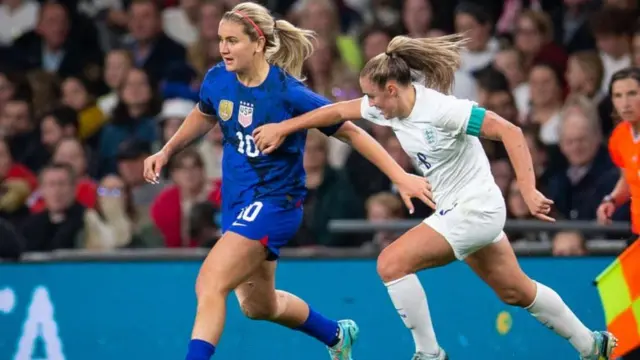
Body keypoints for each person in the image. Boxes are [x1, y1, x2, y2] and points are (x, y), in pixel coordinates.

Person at [252, 34, 618, 360]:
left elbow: (509, 131)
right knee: (516, 291)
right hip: (462, 211)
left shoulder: (442, 111)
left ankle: (429, 353)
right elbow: (335, 111)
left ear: (393, 89)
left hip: (475, 208)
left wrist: (527, 188)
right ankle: (591, 345)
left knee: (391, 264)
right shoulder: (389, 108)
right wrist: (285, 127)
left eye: (373, 96)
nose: (369, 104)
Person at [141, 3, 431, 360]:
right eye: (220, 40)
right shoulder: (217, 78)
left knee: (210, 282)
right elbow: (204, 115)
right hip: (237, 203)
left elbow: (351, 132)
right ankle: (337, 334)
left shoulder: (287, 92)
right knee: (257, 306)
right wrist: (166, 152)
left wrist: (399, 175)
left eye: (232, 40)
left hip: (275, 203)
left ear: (258, 43)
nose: (223, 48)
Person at [598, 67, 640, 245]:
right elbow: (628, 178)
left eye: (632, 93)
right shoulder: (619, 137)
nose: (625, 103)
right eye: (618, 96)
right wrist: (612, 200)